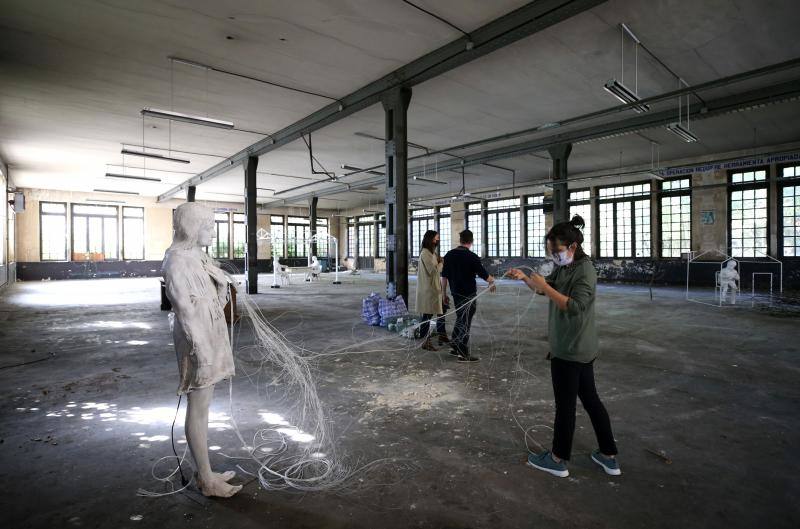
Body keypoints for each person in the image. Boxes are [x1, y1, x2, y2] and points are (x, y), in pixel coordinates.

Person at [507, 215, 620, 479]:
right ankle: (608, 455)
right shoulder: (566, 267)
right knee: (590, 400)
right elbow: (548, 290)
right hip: (576, 346)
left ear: (572, 246)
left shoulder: (585, 270)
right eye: (551, 252)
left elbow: (575, 307)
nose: (554, 256)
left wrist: (546, 286)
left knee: (566, 405)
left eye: (556, 251)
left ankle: (558, 459)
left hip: (571, 348)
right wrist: (526, 279)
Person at [162, 203, 242, 497]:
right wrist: (201, 351)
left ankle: (204, 470)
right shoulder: (176, 262)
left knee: (204, 406)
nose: (212, 231)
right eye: (207, 226)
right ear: (191, 228)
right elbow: (185, 311)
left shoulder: (198, 257)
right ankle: (207, 482)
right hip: (196, 339)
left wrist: (221, 283)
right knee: (199, 408)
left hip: (210, 332)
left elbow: (215, 301)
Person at [441, 229, 495, 362]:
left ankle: (454, 346)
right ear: (471, 241)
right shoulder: (472, 257)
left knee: (461, 317)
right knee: (465, 321)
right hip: (468, 294)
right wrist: (492, 282)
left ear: (460, 240)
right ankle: (462, 353)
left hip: (455, 293)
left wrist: (443, 294)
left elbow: (444, 277)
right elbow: (484, 274)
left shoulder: (449, 255)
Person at [415, 230, 443, 351]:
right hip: (428, 290)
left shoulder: (431, 252)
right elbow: (432, 271)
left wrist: (439, 260)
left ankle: (427, 338)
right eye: (436, 238)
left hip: (433, 288)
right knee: (427, 315)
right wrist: (441, 263)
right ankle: (425, 341)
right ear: (431, 239)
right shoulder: (425, 253)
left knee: (429, 314)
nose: (438, 240)